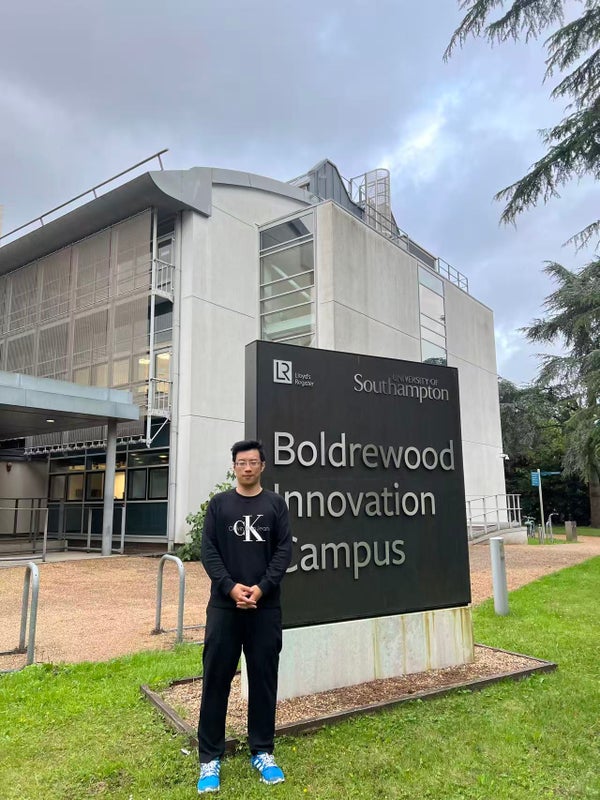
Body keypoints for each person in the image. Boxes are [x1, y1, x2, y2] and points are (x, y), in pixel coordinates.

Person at [197, 439, 292, 794]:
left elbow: (284, 551)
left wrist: (262, 588)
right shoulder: (219, 505)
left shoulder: (275, 504)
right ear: (234, 466)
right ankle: (210, 757)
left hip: (265, 608)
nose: (247, 467)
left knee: (264, 680)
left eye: (253, 462)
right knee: (216, 680)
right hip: (225, 609)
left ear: (263, 465)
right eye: (241, 462)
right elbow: (209, 550)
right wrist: (230, 587)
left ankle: (262, 751)